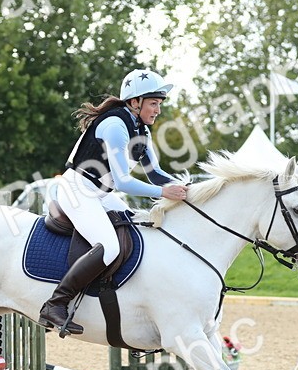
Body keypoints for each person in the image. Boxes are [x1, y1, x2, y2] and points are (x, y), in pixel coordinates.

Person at [38, 69, 189, 334]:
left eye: (159, 104)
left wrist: (190, 190)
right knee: (109, 247)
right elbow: (123, 182)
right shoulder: (115, 126)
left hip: (100, 193)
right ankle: (56, 303)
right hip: (76, 190)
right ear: (135, 102)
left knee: (136, 228)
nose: (158, 110)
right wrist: (164, 193)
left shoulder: (141, 130)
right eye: (154, 103)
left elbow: (155, 173)